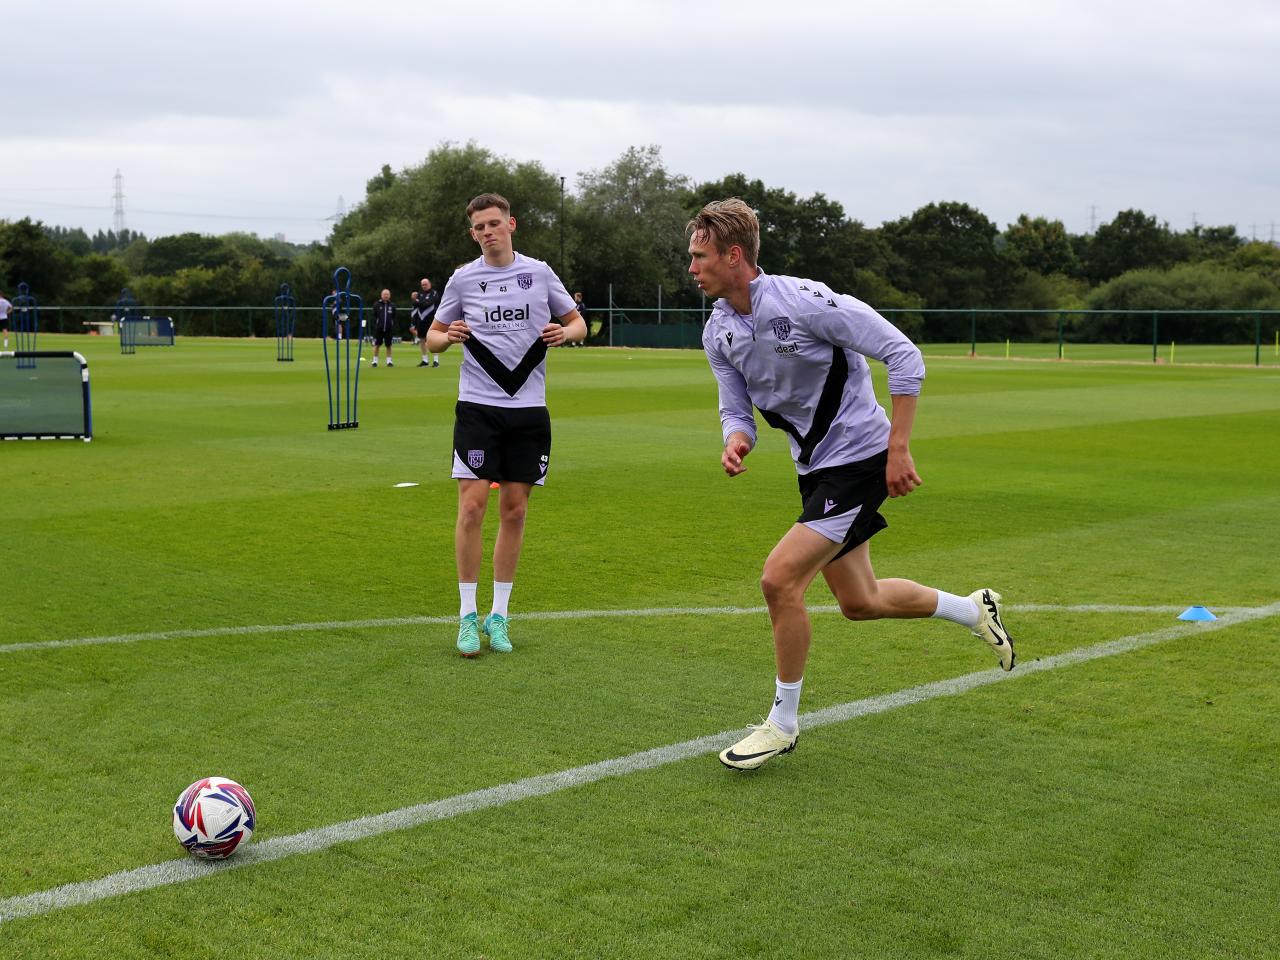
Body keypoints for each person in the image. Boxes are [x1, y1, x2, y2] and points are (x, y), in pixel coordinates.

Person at [688, 198, 1016, 772]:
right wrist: (735, 439)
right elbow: (734, 405)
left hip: (861, 457)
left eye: (700, 256)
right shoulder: (718, 332)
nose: (691, 267)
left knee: (778, 579)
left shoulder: (804, 300)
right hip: (814, 468)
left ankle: (782, 724)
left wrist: (899, 447)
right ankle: (972, 610)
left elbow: (903, 355)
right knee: (859, 603)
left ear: (733, 255)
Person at [427, 192, 586, 656]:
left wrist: (565, 333)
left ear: (511, 224)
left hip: (528, 410)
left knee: (514, 511)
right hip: (477, 408)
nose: (487, 232)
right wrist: (446, 337)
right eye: (479, 227)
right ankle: (465, 617)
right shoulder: (463, 279)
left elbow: (578, 323)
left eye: (494, 223)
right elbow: (433, 338)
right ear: (473, 233)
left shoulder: (539, 273)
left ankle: (499, 616)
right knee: (472, 507)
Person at [410, 278, 441, 367]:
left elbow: (428, 303)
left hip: (431, 320)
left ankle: (436, 360)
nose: (424, 286)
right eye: (423, 285)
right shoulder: (420, 294)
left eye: (425, 284)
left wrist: (419, 302)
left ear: (429, 284)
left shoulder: (434, 293)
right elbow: (414, 304)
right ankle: (425, 360)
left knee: (433, 340)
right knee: (422, 340)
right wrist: (420, 302)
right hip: (421, 321)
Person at [370, 288, 396, 367]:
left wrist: (391, 324)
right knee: (377, 344)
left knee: (388, 345)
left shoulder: (392, 305)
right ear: (381, 295)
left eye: (387, 294)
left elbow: (394, 316)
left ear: (390, 295)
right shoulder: (377, 304)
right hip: (379, 329)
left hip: (388, 329)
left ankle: (389, 361)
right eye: (384, 294)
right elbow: (374, 316)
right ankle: (375, 361)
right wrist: (378, 324)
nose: (386, 296)